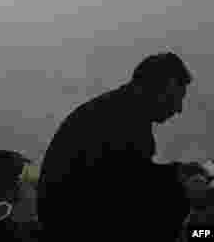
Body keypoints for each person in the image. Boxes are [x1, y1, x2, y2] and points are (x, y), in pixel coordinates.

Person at [36, 52, 210, 241]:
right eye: (176, 97)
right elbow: (128, 189)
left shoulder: (117, 110)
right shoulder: (122, 120)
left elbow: (128, 175)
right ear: (157, 89)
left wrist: (177, 172)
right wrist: (181, 184)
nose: (178, 109)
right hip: (74, 227)